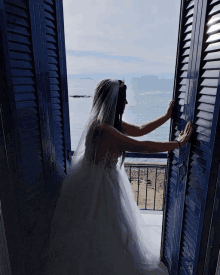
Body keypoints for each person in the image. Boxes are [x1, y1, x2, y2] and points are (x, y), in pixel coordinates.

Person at [41, 78, 193, 275]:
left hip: (101, 180)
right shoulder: (104, 130)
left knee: (106, 232)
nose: (127, 103)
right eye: (124, 100)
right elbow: (143, 146)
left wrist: (166, 117)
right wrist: (178, 143)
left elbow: (139, 130)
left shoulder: (107, 123)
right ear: (114, 101)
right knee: (103, 232)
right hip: (100, 186)